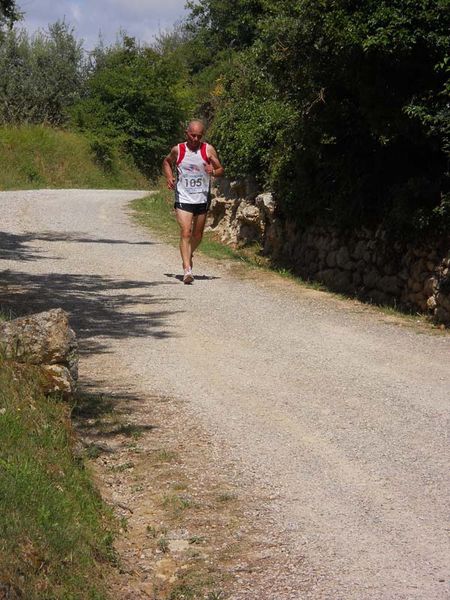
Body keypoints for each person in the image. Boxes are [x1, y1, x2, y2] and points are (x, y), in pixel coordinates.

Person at [163, 120, 224, 284]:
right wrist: (169, 177)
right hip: (183, 196)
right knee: (186, 232)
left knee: (198, 234)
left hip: (201, 197)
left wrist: (213, 171)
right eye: (192, 135)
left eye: (199, 136)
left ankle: (188, 252)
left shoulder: (208, 149)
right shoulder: (179, 149)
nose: (195, 139)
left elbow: (220, 170)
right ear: (186, 133)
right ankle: (187, 269)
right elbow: (167, 162)